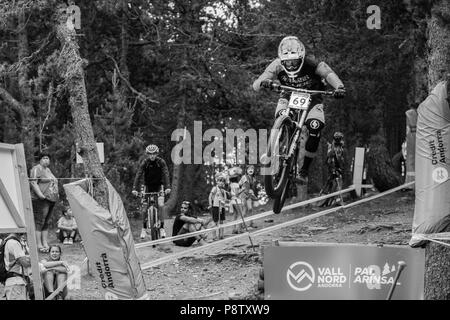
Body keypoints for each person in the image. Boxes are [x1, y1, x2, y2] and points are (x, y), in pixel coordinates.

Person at [253, 36, 346, 184]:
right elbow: (258, 82)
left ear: (301, 58)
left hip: (313, 98)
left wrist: (339, 87)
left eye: (294, 61)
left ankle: (304, 171)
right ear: (281, 59)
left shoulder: (312, 64)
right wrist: (263, 82)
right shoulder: (276, 64)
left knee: (315, 126)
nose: (290, 65)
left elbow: (329, 74)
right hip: (288, 95)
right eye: (287, 62)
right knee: (280, 116)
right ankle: (275, 149)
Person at [132, 144, 171, 239]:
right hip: (147, 186)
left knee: (161, 205)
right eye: (150, 154)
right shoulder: (145, 162)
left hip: (159, 186)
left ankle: (162, 227)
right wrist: (134, 188)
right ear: (147, 154)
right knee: (144, 208)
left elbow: (166, 174)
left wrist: (167, 187)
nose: (152, 156)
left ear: (157, 154)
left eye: (154, 154)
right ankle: (144, 228)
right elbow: (139, 174)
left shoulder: (161, 162)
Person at [29, 152, 59, 253]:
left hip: (51, 199)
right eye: (44, 158)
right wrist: (40, 195)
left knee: (47, 222)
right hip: (40, 200)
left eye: (48, 158)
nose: (46, 160)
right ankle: (38, 244)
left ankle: (45, 242)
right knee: (40, 221)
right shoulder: (36, 168)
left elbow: (53, 181)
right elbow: (33, 182)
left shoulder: (48, 170)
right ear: (40, 159)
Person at [2, 233, 31, 300]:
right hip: (15, 281)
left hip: (16, 281)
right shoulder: (13, 242)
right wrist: (32, 259)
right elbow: (25, 263)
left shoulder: (10, 241)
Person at [208, 173, 227, 240]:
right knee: (215, 221)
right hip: (216, 206)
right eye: (219, 181)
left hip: (222, 207)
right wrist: (210, 204)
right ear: (217, 181)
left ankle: (221, 234)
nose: (221, 183)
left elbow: (225, 199)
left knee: (221, 221)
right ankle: (214, 236)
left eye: (222, 181)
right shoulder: (215, 188)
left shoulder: (223, 191)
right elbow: (210, 196)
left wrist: (225, 202)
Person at [228, 167, 246, 234]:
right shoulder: (236, 185)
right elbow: (236, 194)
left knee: (235, 215)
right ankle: (239, 229)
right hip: (237, 200)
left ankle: (233, 229)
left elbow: (230, 194)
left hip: (232, 201)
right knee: (240, 215)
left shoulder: (230, 185)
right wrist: (242, 190)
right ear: (236, 178)